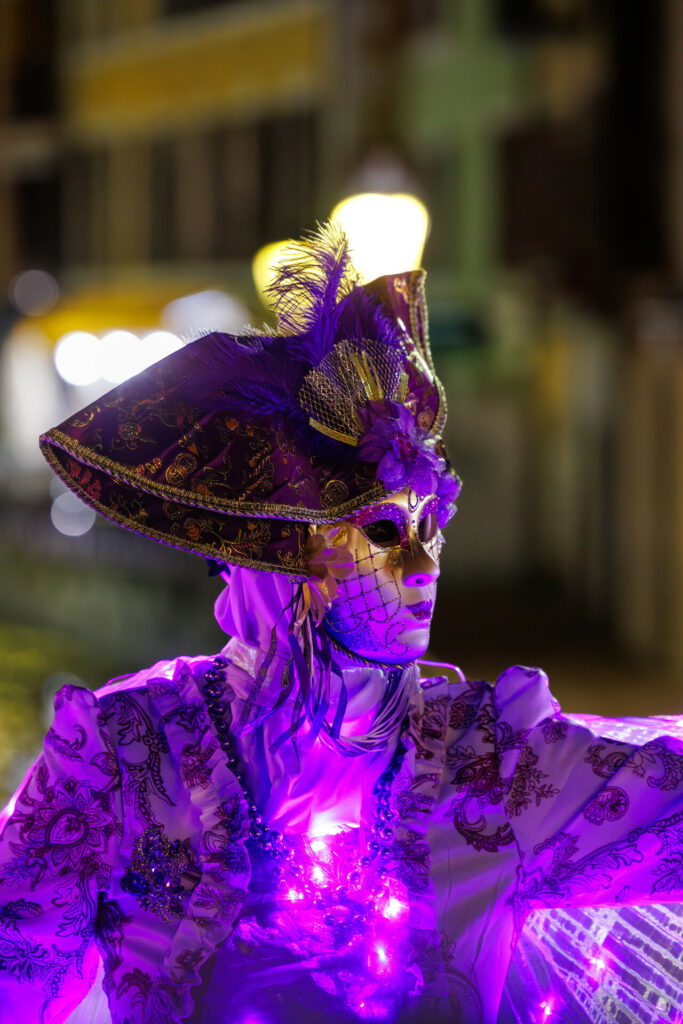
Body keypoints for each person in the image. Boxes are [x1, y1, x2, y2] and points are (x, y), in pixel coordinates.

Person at [0, 225, 682, 1024]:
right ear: (272, 555)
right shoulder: (121, 761)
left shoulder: (490, 765)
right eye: (383, 533)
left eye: (431, 526)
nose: (423, 565)